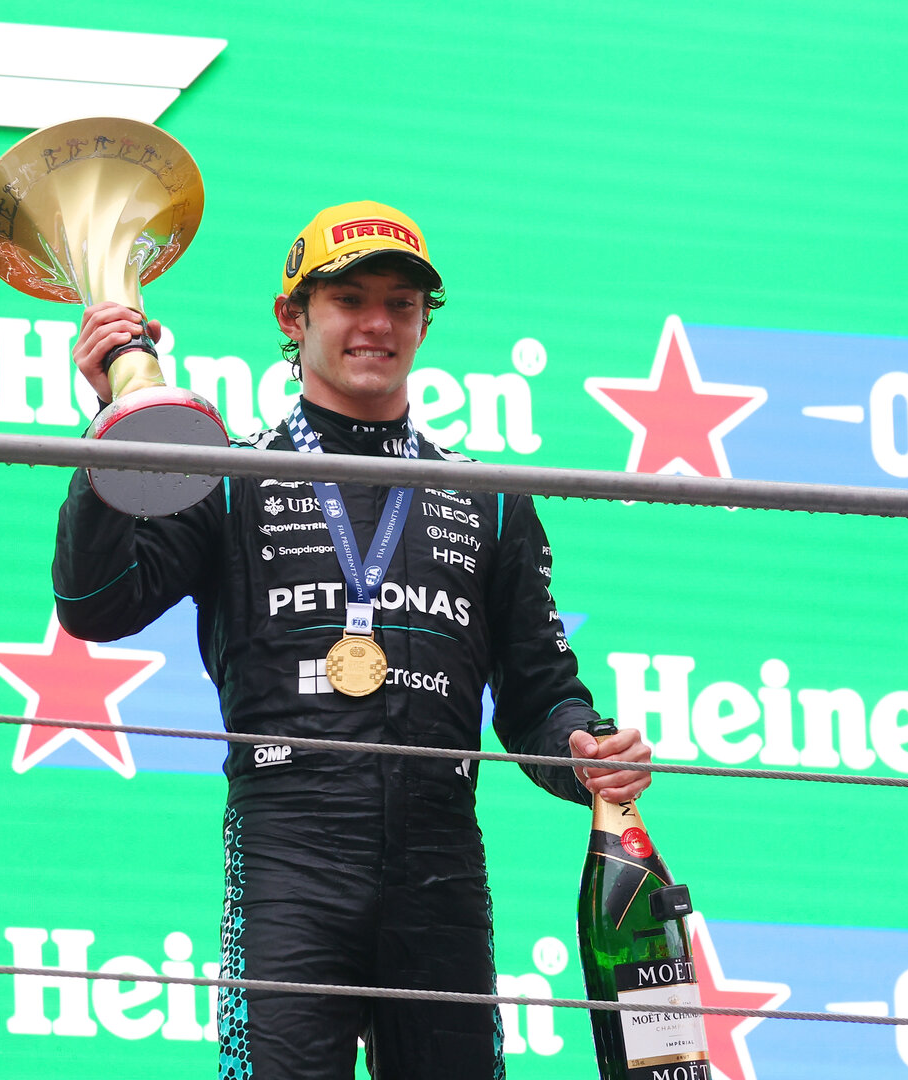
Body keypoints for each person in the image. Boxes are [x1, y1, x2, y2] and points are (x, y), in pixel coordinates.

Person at [53, 200, 652, 1080]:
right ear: (293, 318)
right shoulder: (230, 478)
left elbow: (539, 696)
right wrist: (115, 426)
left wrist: (584, 749)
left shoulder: (489, 498)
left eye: (401, 304)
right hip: (288, 852)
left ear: (424, 324)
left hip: (441, 861)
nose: (378, 323)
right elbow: (95, 604)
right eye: (349, 300)